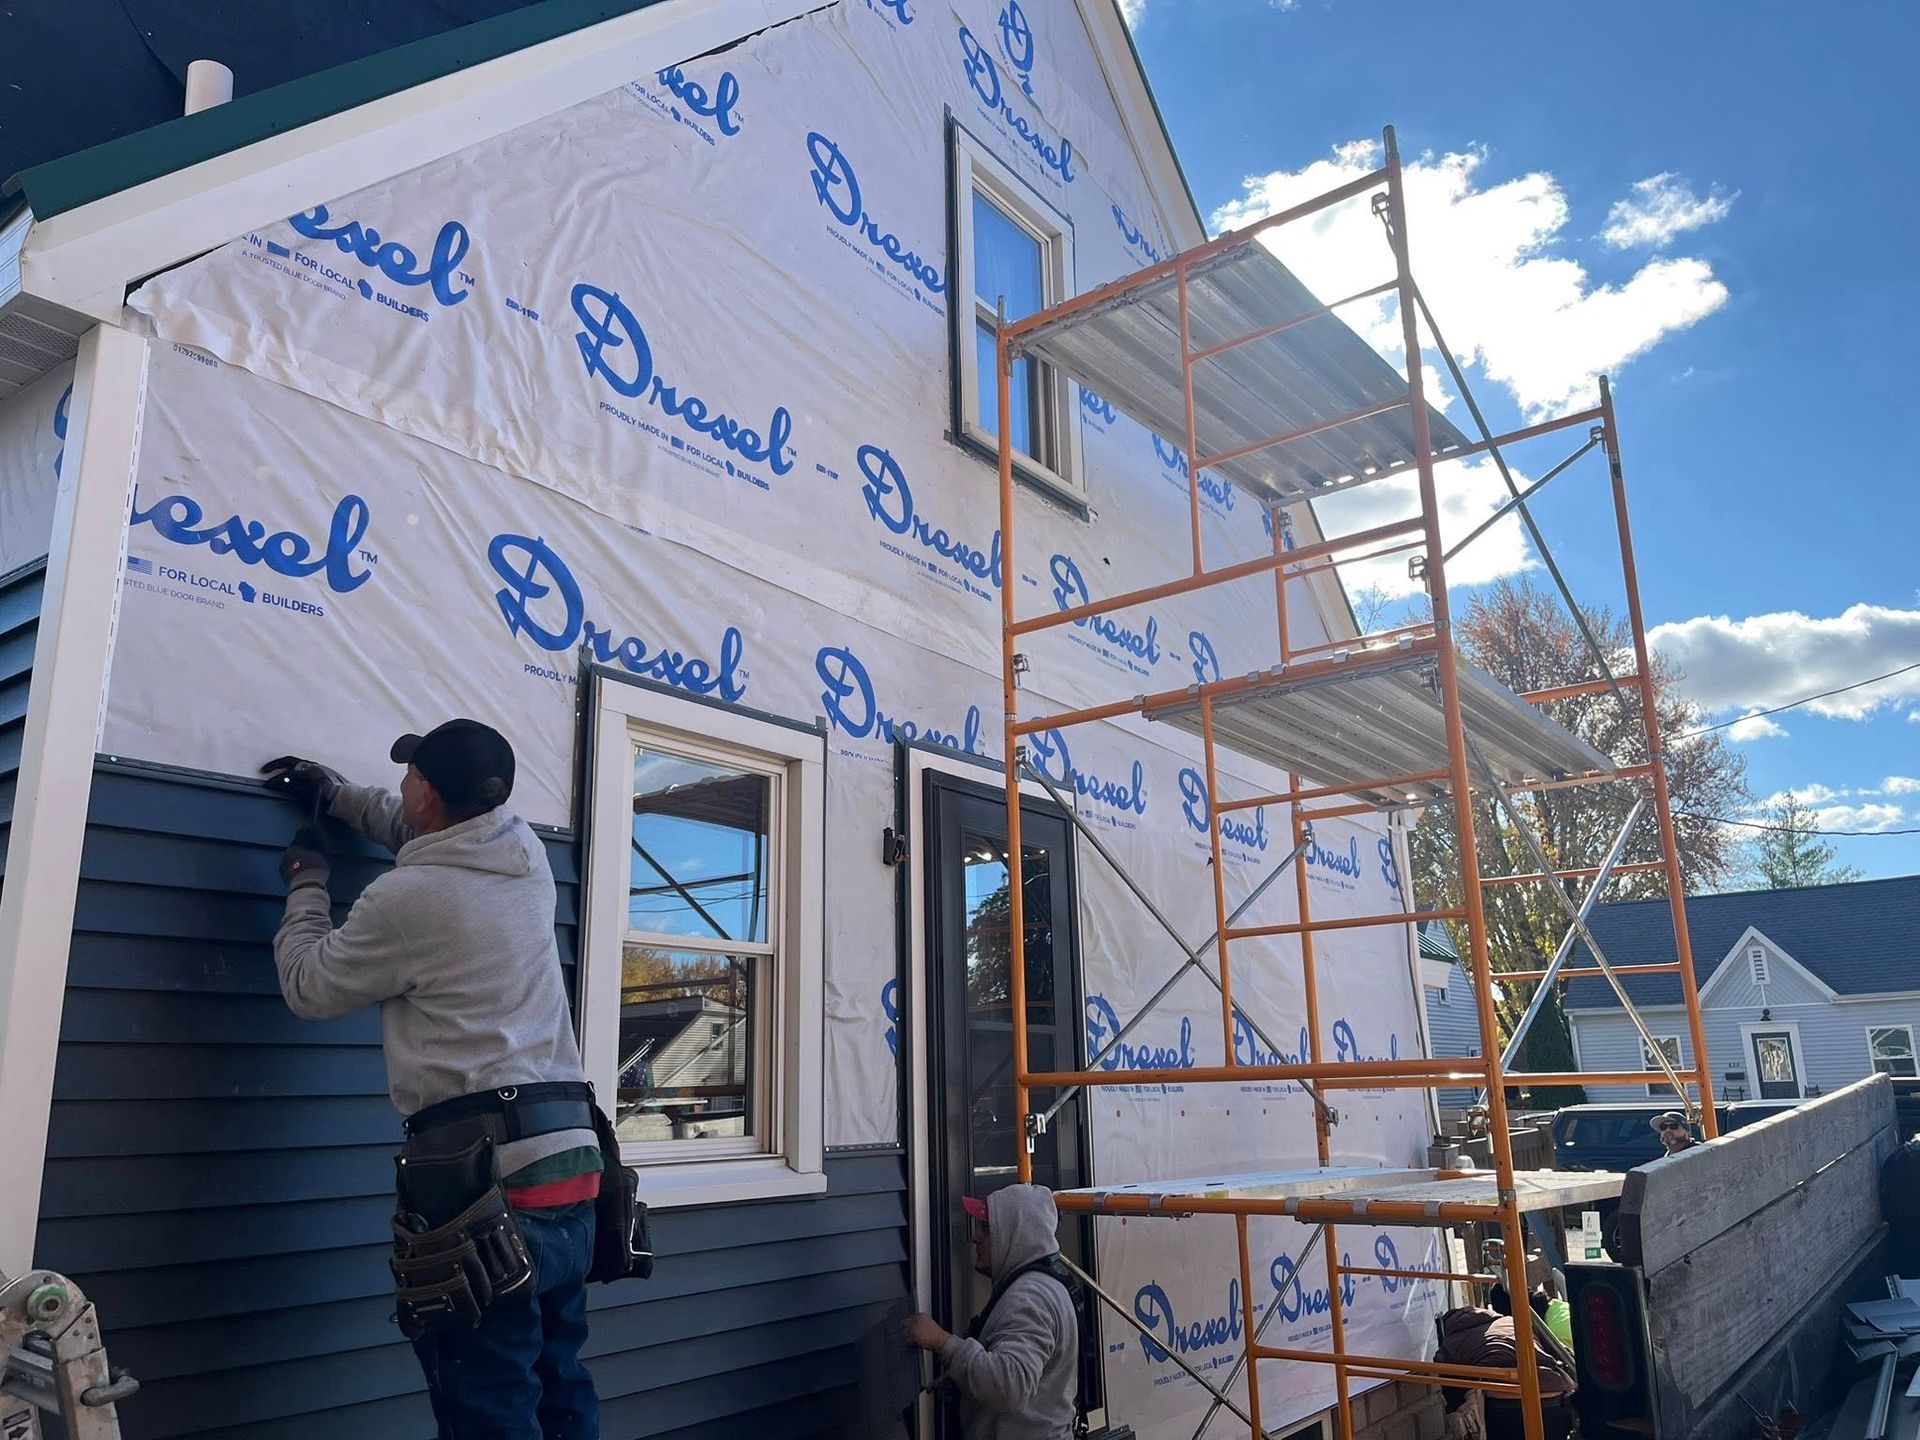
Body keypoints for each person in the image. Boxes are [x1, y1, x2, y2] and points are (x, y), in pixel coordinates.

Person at [264, 721, 602, 1440]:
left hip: (483, 1179)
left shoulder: (406, 899)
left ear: (427, 794)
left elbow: (309, 985)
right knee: (558, 1380)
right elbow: (420, 835)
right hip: (573, 1161)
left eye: (409, 776)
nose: (402, 786)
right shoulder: (523, 852)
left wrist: (308, 884)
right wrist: (340, 797)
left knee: (488, 1402)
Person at [904, 1185, 1079, 1440]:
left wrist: (943, 1342)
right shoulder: (1039, 1286)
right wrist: (964, 1377)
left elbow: (1011, 1385)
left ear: (1014, 1234)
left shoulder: (1030, 1298)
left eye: (986, 1228)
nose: (975, 1236)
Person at [1435, 1302, 1577, 1440]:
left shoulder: (1452, 1341)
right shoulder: (1511, 1322)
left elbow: (1449, 1387)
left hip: (1504, 1405)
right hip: (1554, 1394)